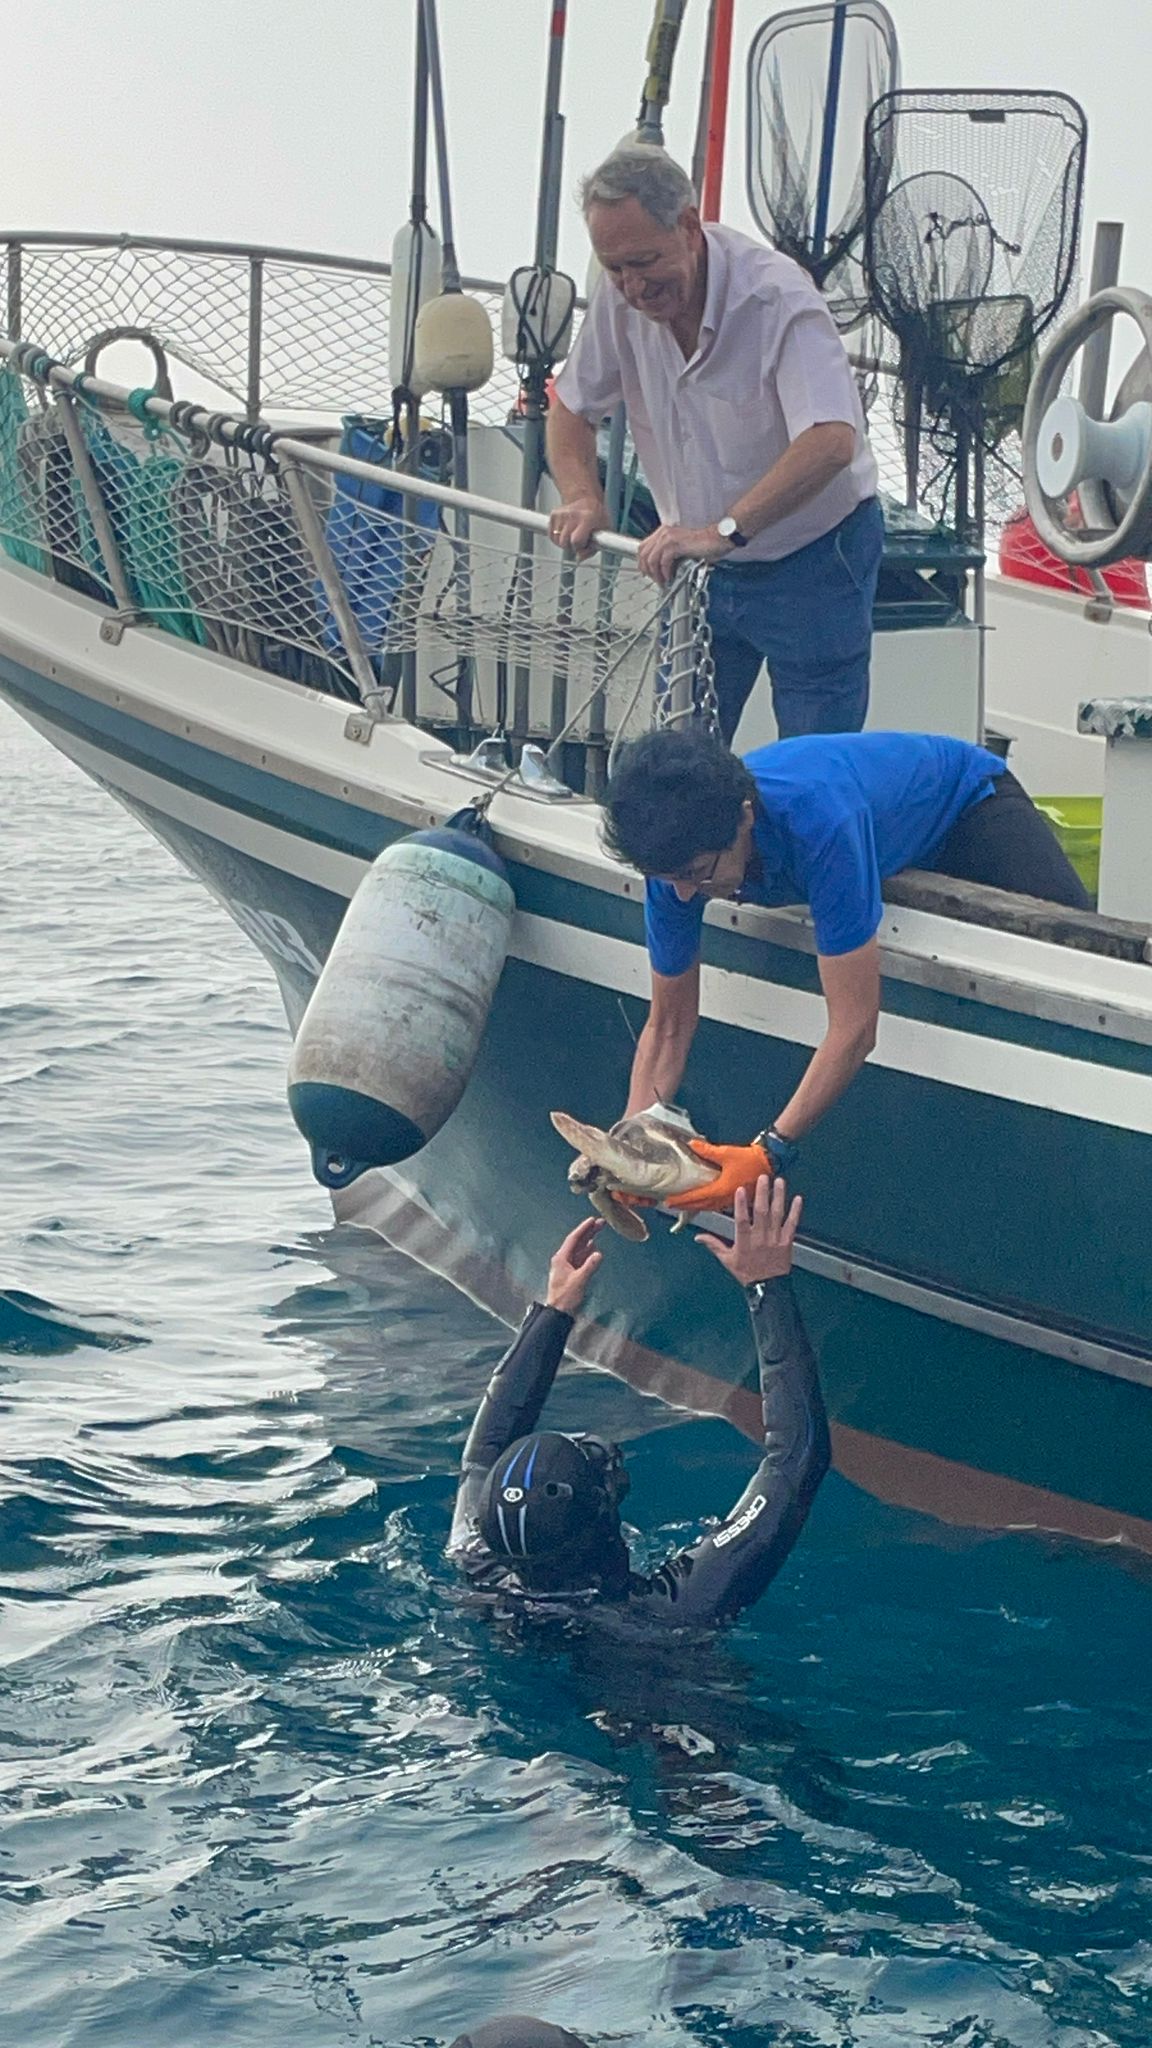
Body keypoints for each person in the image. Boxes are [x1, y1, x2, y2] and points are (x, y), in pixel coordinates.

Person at [600, 725, 1092, 1211]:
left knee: (1082, 967)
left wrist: (769, 1151)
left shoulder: (820, 821)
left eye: (696, 876)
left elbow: (855, 1027)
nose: (682, 894)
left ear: (745, 818)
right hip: (881, 825)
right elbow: (668, 1025)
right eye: (667, 880)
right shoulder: (675, 867)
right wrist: (630, 1144)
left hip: (970, 804)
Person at [546, 143, 883, 745]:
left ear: (689, 225)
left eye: (645, 262)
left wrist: (723, 531)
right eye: (614, 268)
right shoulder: (618, 295)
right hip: (698, 571)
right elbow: (570, 406)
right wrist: (582, 496)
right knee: (679, 763)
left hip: (814, 561)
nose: (632, 287)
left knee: (815, 766)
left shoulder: (777, 297)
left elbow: (831, 439)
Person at [447, 1177, 829, 1628]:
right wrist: (766, 1286)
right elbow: (798, 1458)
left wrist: (553, 1312)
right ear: (601, 1510)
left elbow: (484, 1455)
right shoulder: (669, 1612)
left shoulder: (478, 1561)